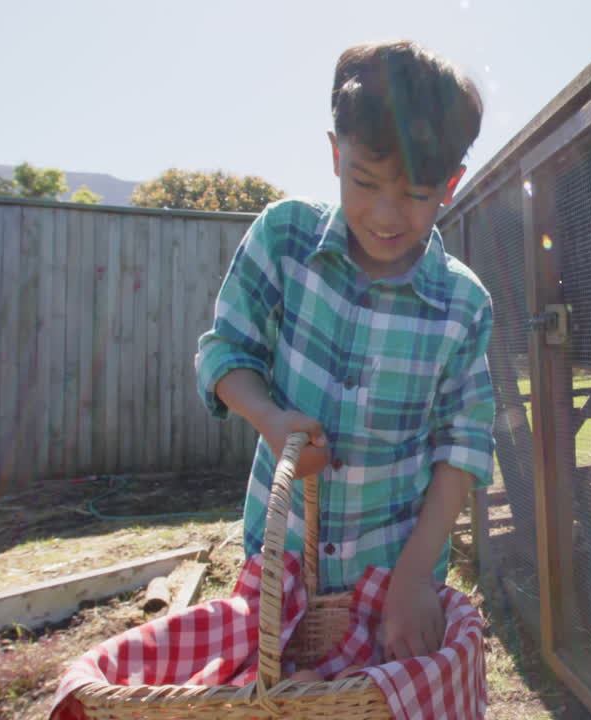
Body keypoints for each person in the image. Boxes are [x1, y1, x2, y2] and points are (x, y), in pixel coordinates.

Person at [194, 39, 494, 663]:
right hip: (280, 572)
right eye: (365, 181)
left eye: (416, 193)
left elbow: (462, 446)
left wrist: (413, 578)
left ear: (451, 184)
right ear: (335, 154)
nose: (388, 214)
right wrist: (270, 420)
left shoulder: (462, 305)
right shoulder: (284, 239)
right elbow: (224, 353)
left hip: (393, 583)